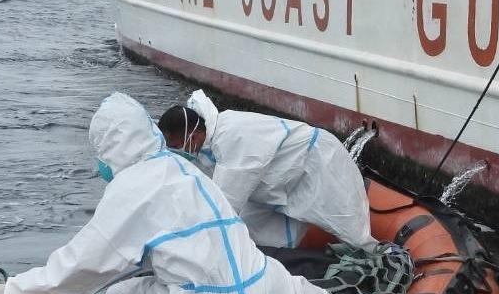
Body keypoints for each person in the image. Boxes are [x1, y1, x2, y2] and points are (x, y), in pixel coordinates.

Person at [0, 93, 338, 294]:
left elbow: (83, 264)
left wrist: (14, 292)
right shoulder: (188, 169)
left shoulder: (132, 187)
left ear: (110, 148)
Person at [158, 91, 377, 250]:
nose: (178, 151)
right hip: (280, 185)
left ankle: (382, 256)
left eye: (177, 145)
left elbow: (225, 203)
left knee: (354, 233)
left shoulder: (231, 136)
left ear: (193, 135)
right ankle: (280, 261)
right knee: (254, 230)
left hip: (319, 163)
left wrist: (191, 237)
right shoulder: (207, 144)